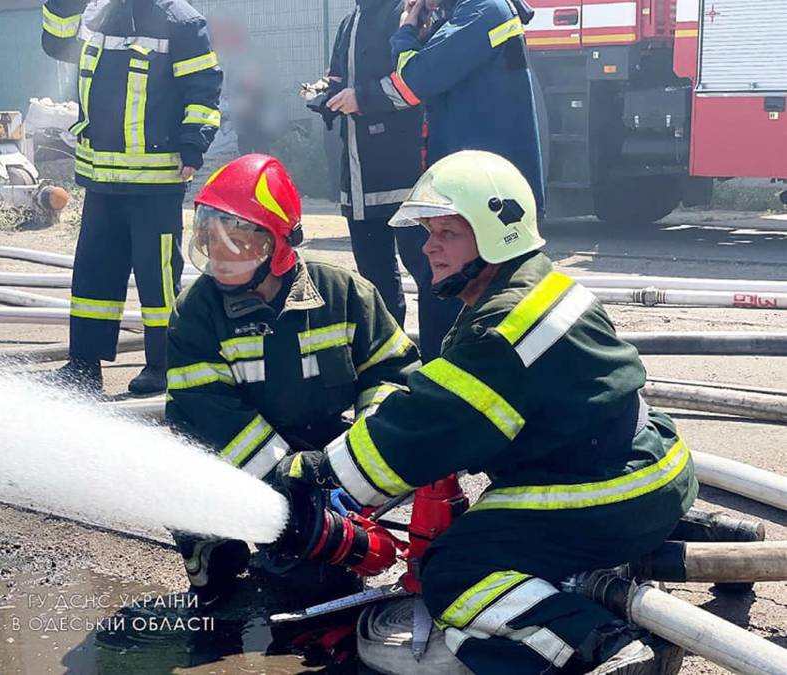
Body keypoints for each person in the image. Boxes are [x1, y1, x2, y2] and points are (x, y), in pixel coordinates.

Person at [275, 151, 698, 674]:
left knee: (456, 572)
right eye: (428, 231)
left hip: (611, 493)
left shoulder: (501, 327)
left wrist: (320, 472)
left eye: (447, 233)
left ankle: (601, 644)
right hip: (655, 468)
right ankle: (637, 558)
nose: (428, 246)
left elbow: (426, 427)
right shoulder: (536, 283)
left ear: (498, 233)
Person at [164, 153, 420, 605]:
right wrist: (285, 475)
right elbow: (209, 413)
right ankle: (209, 547)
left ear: (278, 245)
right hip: (228, 460)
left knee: (312, 584)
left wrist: (354, 464)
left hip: (322, 454)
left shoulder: (345, 295)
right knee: (214, 572)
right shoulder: (198, 311)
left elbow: (393, 374)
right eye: (210, 239)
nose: (220, 256)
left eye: (238, 242)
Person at [42, 0, 222, 395]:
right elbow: (56, 45)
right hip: (100, 177)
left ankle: (162, 365)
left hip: (155, 180)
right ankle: (84, 366)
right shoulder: (97, 12)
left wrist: (193, 144)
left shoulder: (182, 21)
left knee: (157, 281)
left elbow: (204, 91)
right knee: (93, 274)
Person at [316, 0, 461, 361]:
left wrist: (361, 98)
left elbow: (417, 81)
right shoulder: (351, 21)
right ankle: (390, 366)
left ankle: (436, 364)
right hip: (359, 179)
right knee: (374, 284)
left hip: (404, 175)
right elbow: (339, 74)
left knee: (431, 274)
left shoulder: (406, 11)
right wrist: (325, 93)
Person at [390, 0, 545, 213]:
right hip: (481, 188)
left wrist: (405, 34)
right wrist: (423, 37)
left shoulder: (482, 12)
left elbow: (416, 79)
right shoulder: (474, 13)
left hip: (488, 195)